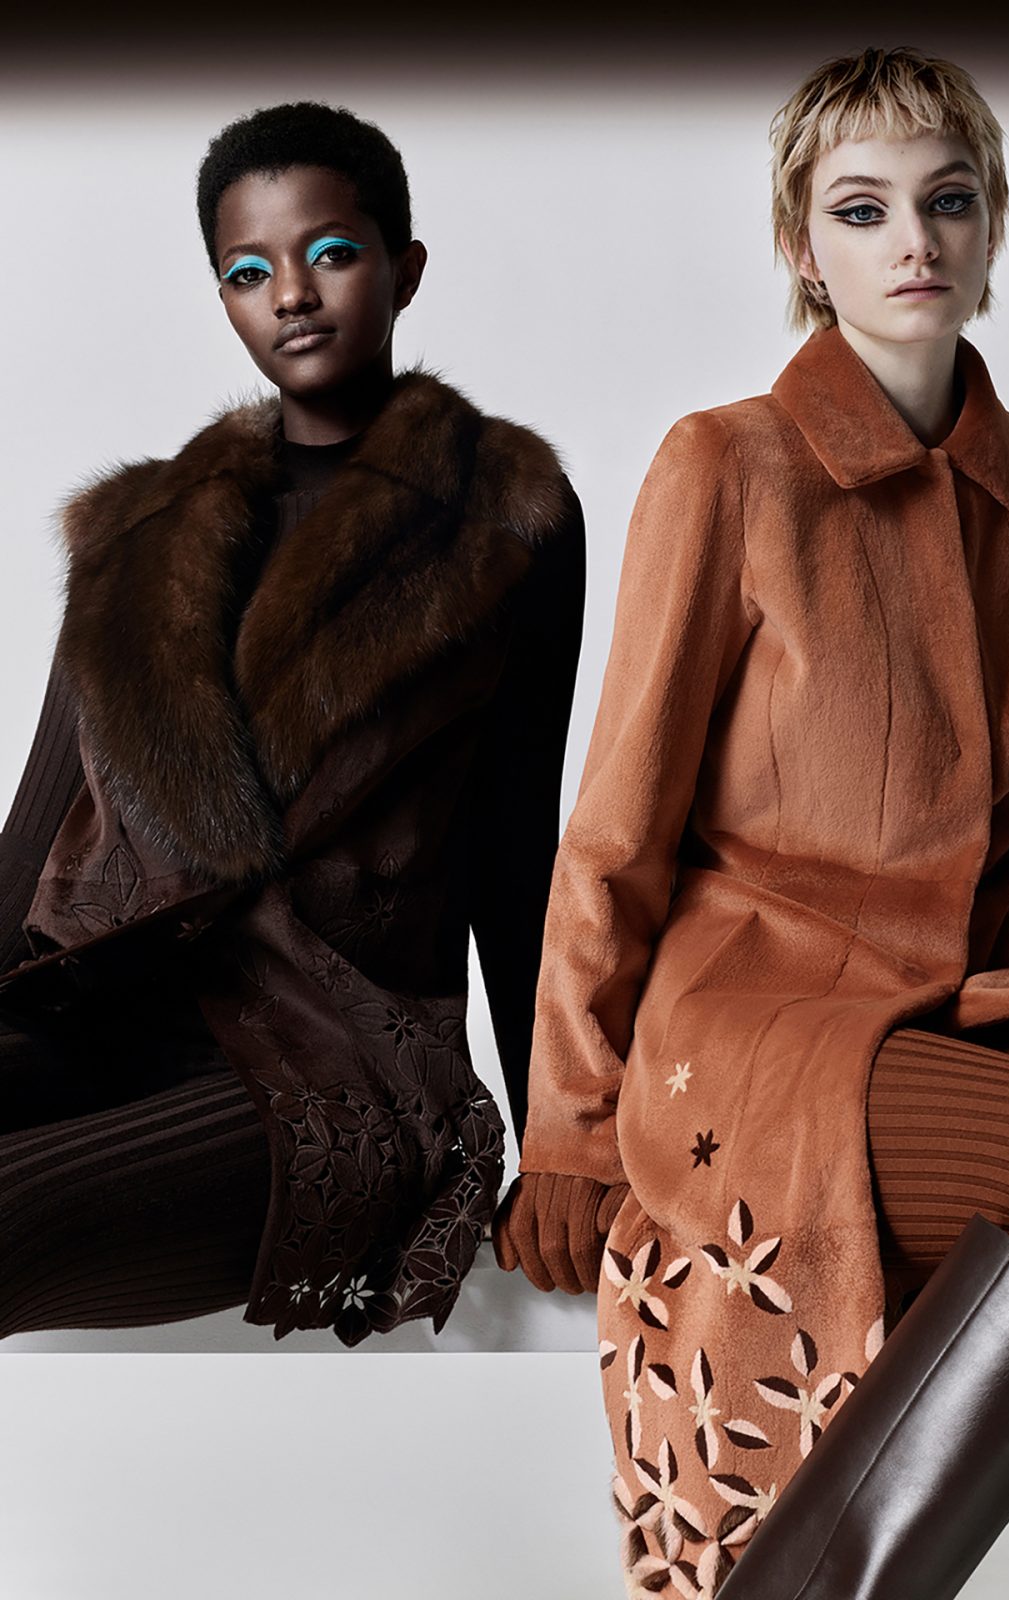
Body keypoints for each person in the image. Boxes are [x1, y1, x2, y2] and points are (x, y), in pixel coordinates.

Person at [493, 46, 1009, 1597]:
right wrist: (570, 1131)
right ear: (805, 248)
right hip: (759, 1042)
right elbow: (615, 832)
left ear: (992, 230)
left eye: (948, 202)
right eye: (863, 210)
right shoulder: (727, 464)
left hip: (965, 1017)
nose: (913, 241)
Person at [0, 100, 585, 1348]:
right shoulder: (137, 534)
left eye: (330, 252)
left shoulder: (503, 513)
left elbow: (514, 855)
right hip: (108, 1012)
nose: (293, 296)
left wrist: (564, 1141)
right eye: (248, 271)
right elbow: (30, 838)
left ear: (403, 268)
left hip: (338, 1066)